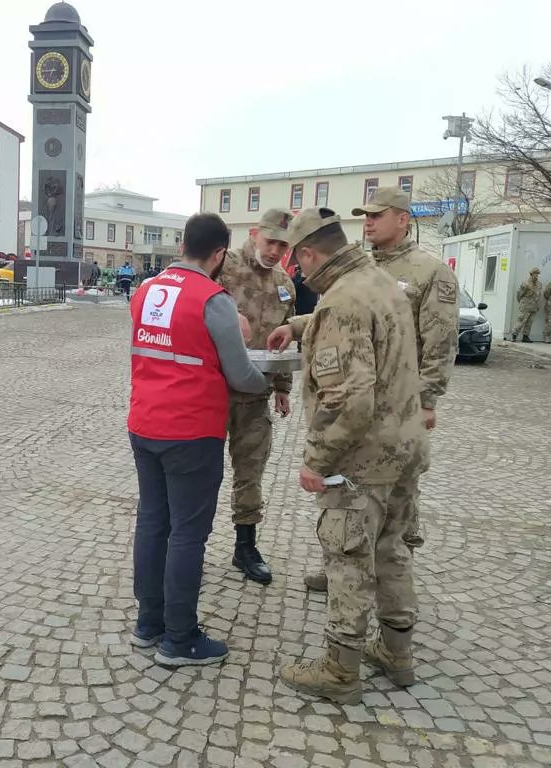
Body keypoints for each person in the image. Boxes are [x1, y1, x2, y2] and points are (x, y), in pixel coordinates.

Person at [267, 208, 428, 703]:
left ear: (311, 253)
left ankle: (341, 670)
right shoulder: (379, 280)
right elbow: (360, 322)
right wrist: (297, 325)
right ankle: (397, 654)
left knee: (348, 557)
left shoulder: (341, 302)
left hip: (362, 460)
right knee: (392, 550)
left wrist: (317, 460)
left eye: (298, 261)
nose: (296, 271)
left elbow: (348, 401)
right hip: (405, 446)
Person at [128, 212, 269, 668]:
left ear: (182, 244)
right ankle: (180, 639)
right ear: (219, 254)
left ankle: (148, 625)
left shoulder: (146, 290)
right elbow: (240, 374)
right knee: (188, 534)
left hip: (145, 423)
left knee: (153, 522)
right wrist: (269, 379)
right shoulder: (214, 299)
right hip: (191, 431)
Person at [303, 187, 458, 593]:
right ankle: (343, 565)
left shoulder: (430, 271)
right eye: (365, 215)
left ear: (403, 219)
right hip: (366, 404)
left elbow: (440, 339)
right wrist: (300, 325)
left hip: (399, 402)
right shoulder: (364, 266)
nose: (368, 222)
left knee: (396, 499)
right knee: (351, 494)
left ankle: (389, 575)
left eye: (378, 214)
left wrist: (428, 399)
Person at [216, 208, 296, 584]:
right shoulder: (223, 268)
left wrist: (281, 387)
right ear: (253, 233)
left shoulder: (285, 283)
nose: (277, 250)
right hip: (212, 392)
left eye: (284, 244)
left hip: (255, 396)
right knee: (201, 472)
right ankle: (189, 543)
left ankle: (245, 546)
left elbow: (282, 341)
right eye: (271, 241)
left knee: (251, 472)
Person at [511, 267, 542, 342]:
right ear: (531, 274)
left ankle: (525, 336)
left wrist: (537, 305)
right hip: (525, 305)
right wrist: (522, 303)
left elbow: (539, 295)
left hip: (533, 306)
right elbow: (519, 294)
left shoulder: (539, 284)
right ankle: (514, 334)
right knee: (521, 321)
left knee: (529, 322)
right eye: (535, 273)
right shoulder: (526, 283)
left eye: (538, 274)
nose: (537, 275)